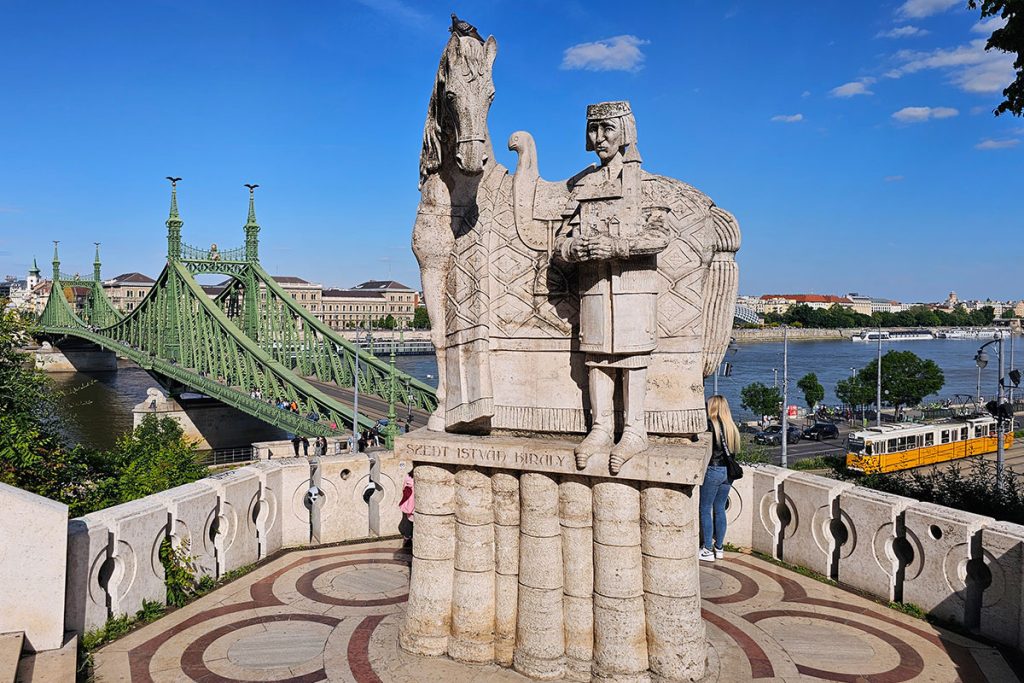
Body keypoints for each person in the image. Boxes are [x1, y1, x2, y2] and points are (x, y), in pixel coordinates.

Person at [553, 100, 670, 473]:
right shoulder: (583, 186)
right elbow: (559, 243)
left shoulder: (647, 184)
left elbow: (661, 235)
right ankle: (601, 427)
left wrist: (617, 246)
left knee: (632, 358)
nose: (599, 138)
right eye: (593, 130)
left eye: (607, 129)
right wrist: (575, 248)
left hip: (634, 290)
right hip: (594, 289)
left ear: (625, 132)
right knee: (598, 357)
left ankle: (635, 429)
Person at [699, 395, 741, 562]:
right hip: (728, 473)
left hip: (713, 469)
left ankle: (707, 549)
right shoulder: (731, 427)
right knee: (719, 509)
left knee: (705, 508)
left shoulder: (711, 425)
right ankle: (719, 547)